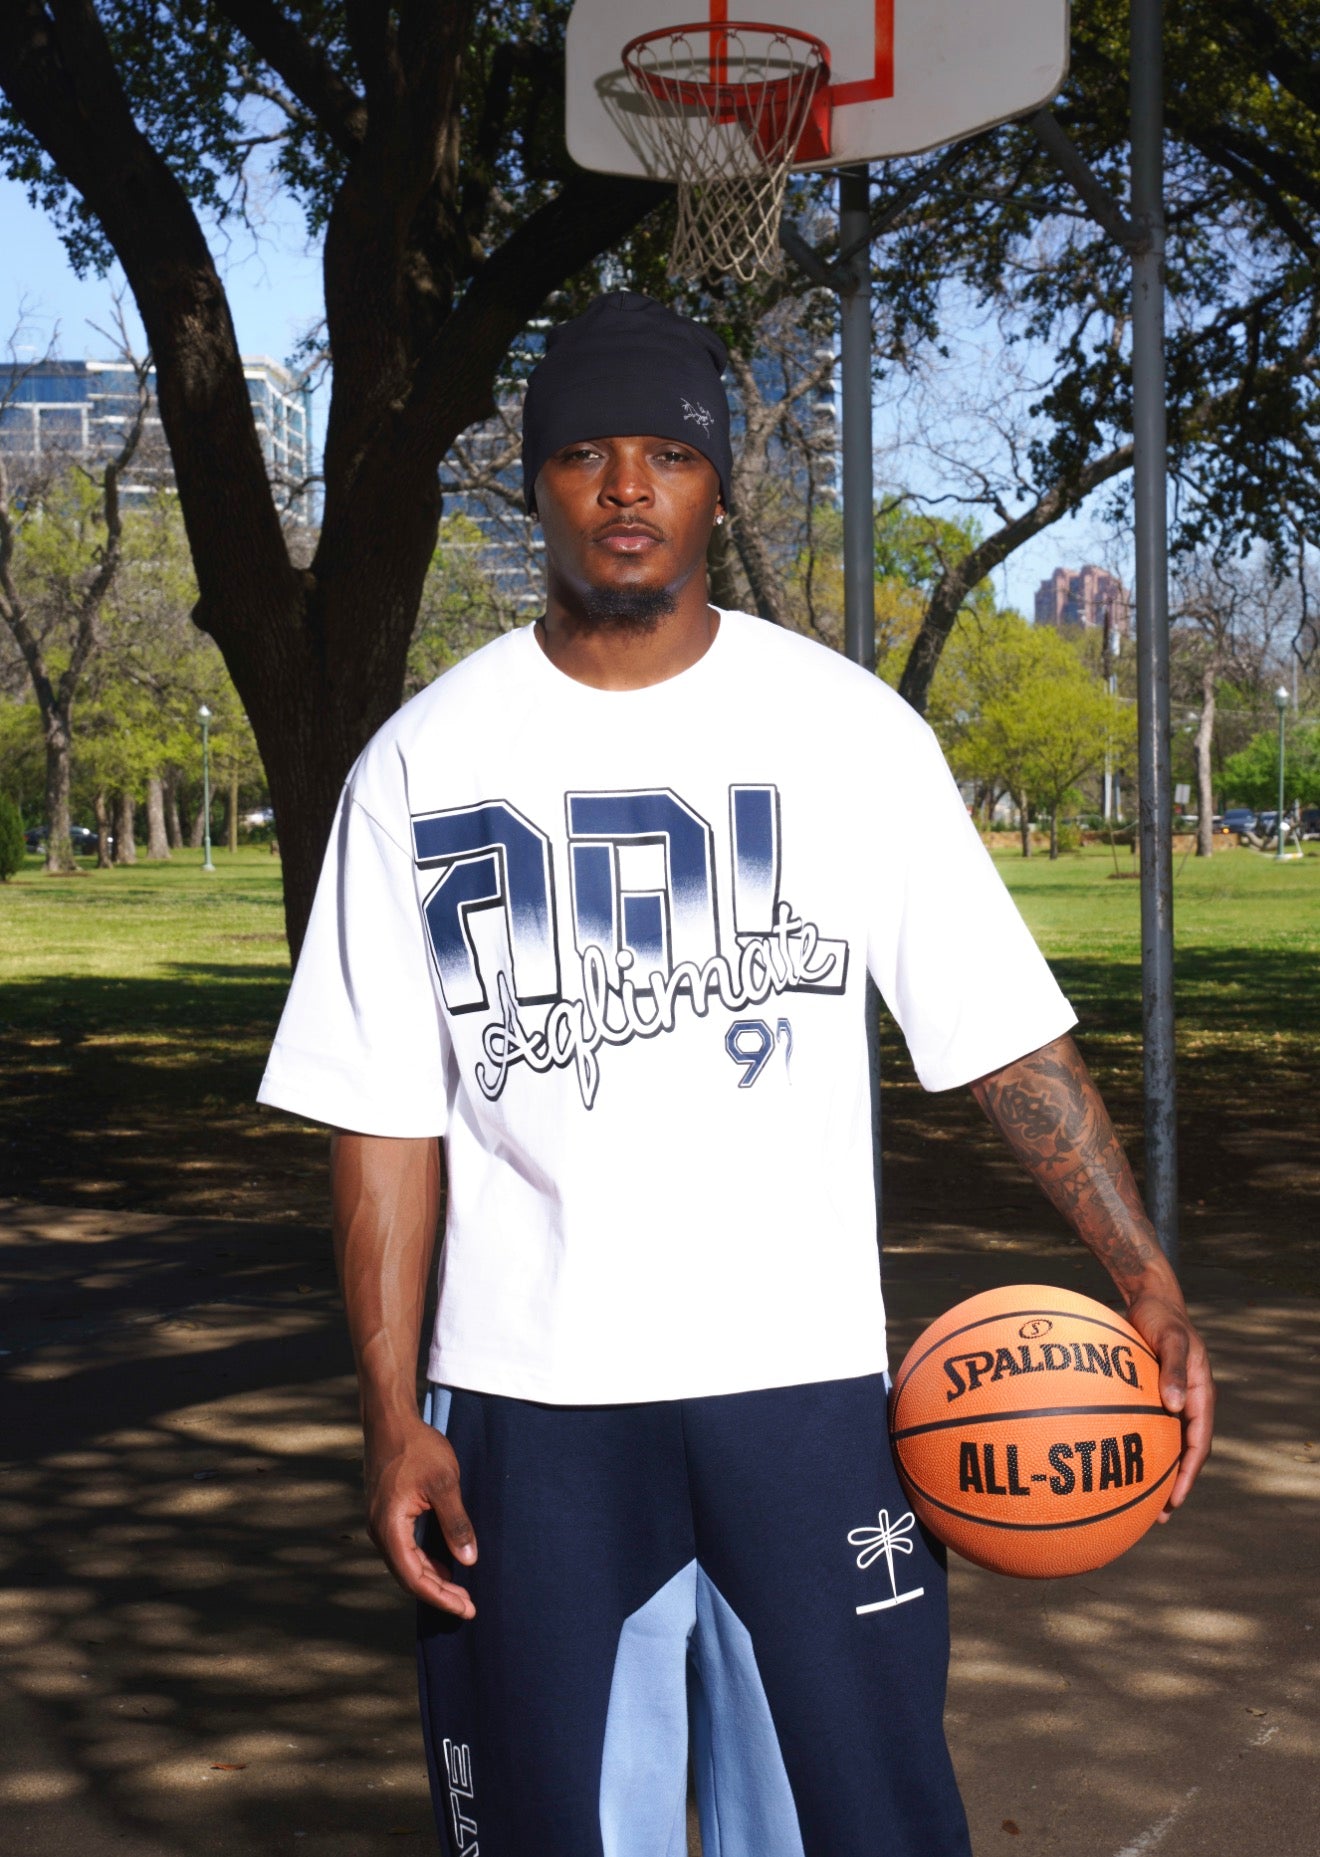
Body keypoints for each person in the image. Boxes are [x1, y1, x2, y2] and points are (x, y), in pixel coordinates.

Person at [259, 292, 1214, 1857]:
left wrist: (1143, 1272)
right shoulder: (422, 762)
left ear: (718, 484)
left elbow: (1001, 1033)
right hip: (528, 1401)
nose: (627, 485)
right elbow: (382, 1117)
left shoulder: (846, 733)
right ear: (534, 480)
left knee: (863, 1821)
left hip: (802, 1387)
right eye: (585, 452)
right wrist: (388, 1413)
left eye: (669, 453)